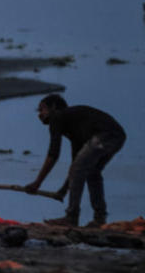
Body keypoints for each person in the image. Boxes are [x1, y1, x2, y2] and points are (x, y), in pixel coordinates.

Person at [25, 94, 126, 228]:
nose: (40, 114)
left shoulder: (57, 117)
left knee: (83, 170)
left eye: (42, 109)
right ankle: (99, 219)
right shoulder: (74, 127)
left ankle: (71, 218)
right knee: (92, 172)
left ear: (54, 107)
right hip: (118, 136)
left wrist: (37, 183)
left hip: (105, 135)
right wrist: (64, 190)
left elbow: (53, 154)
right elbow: (75, 165)